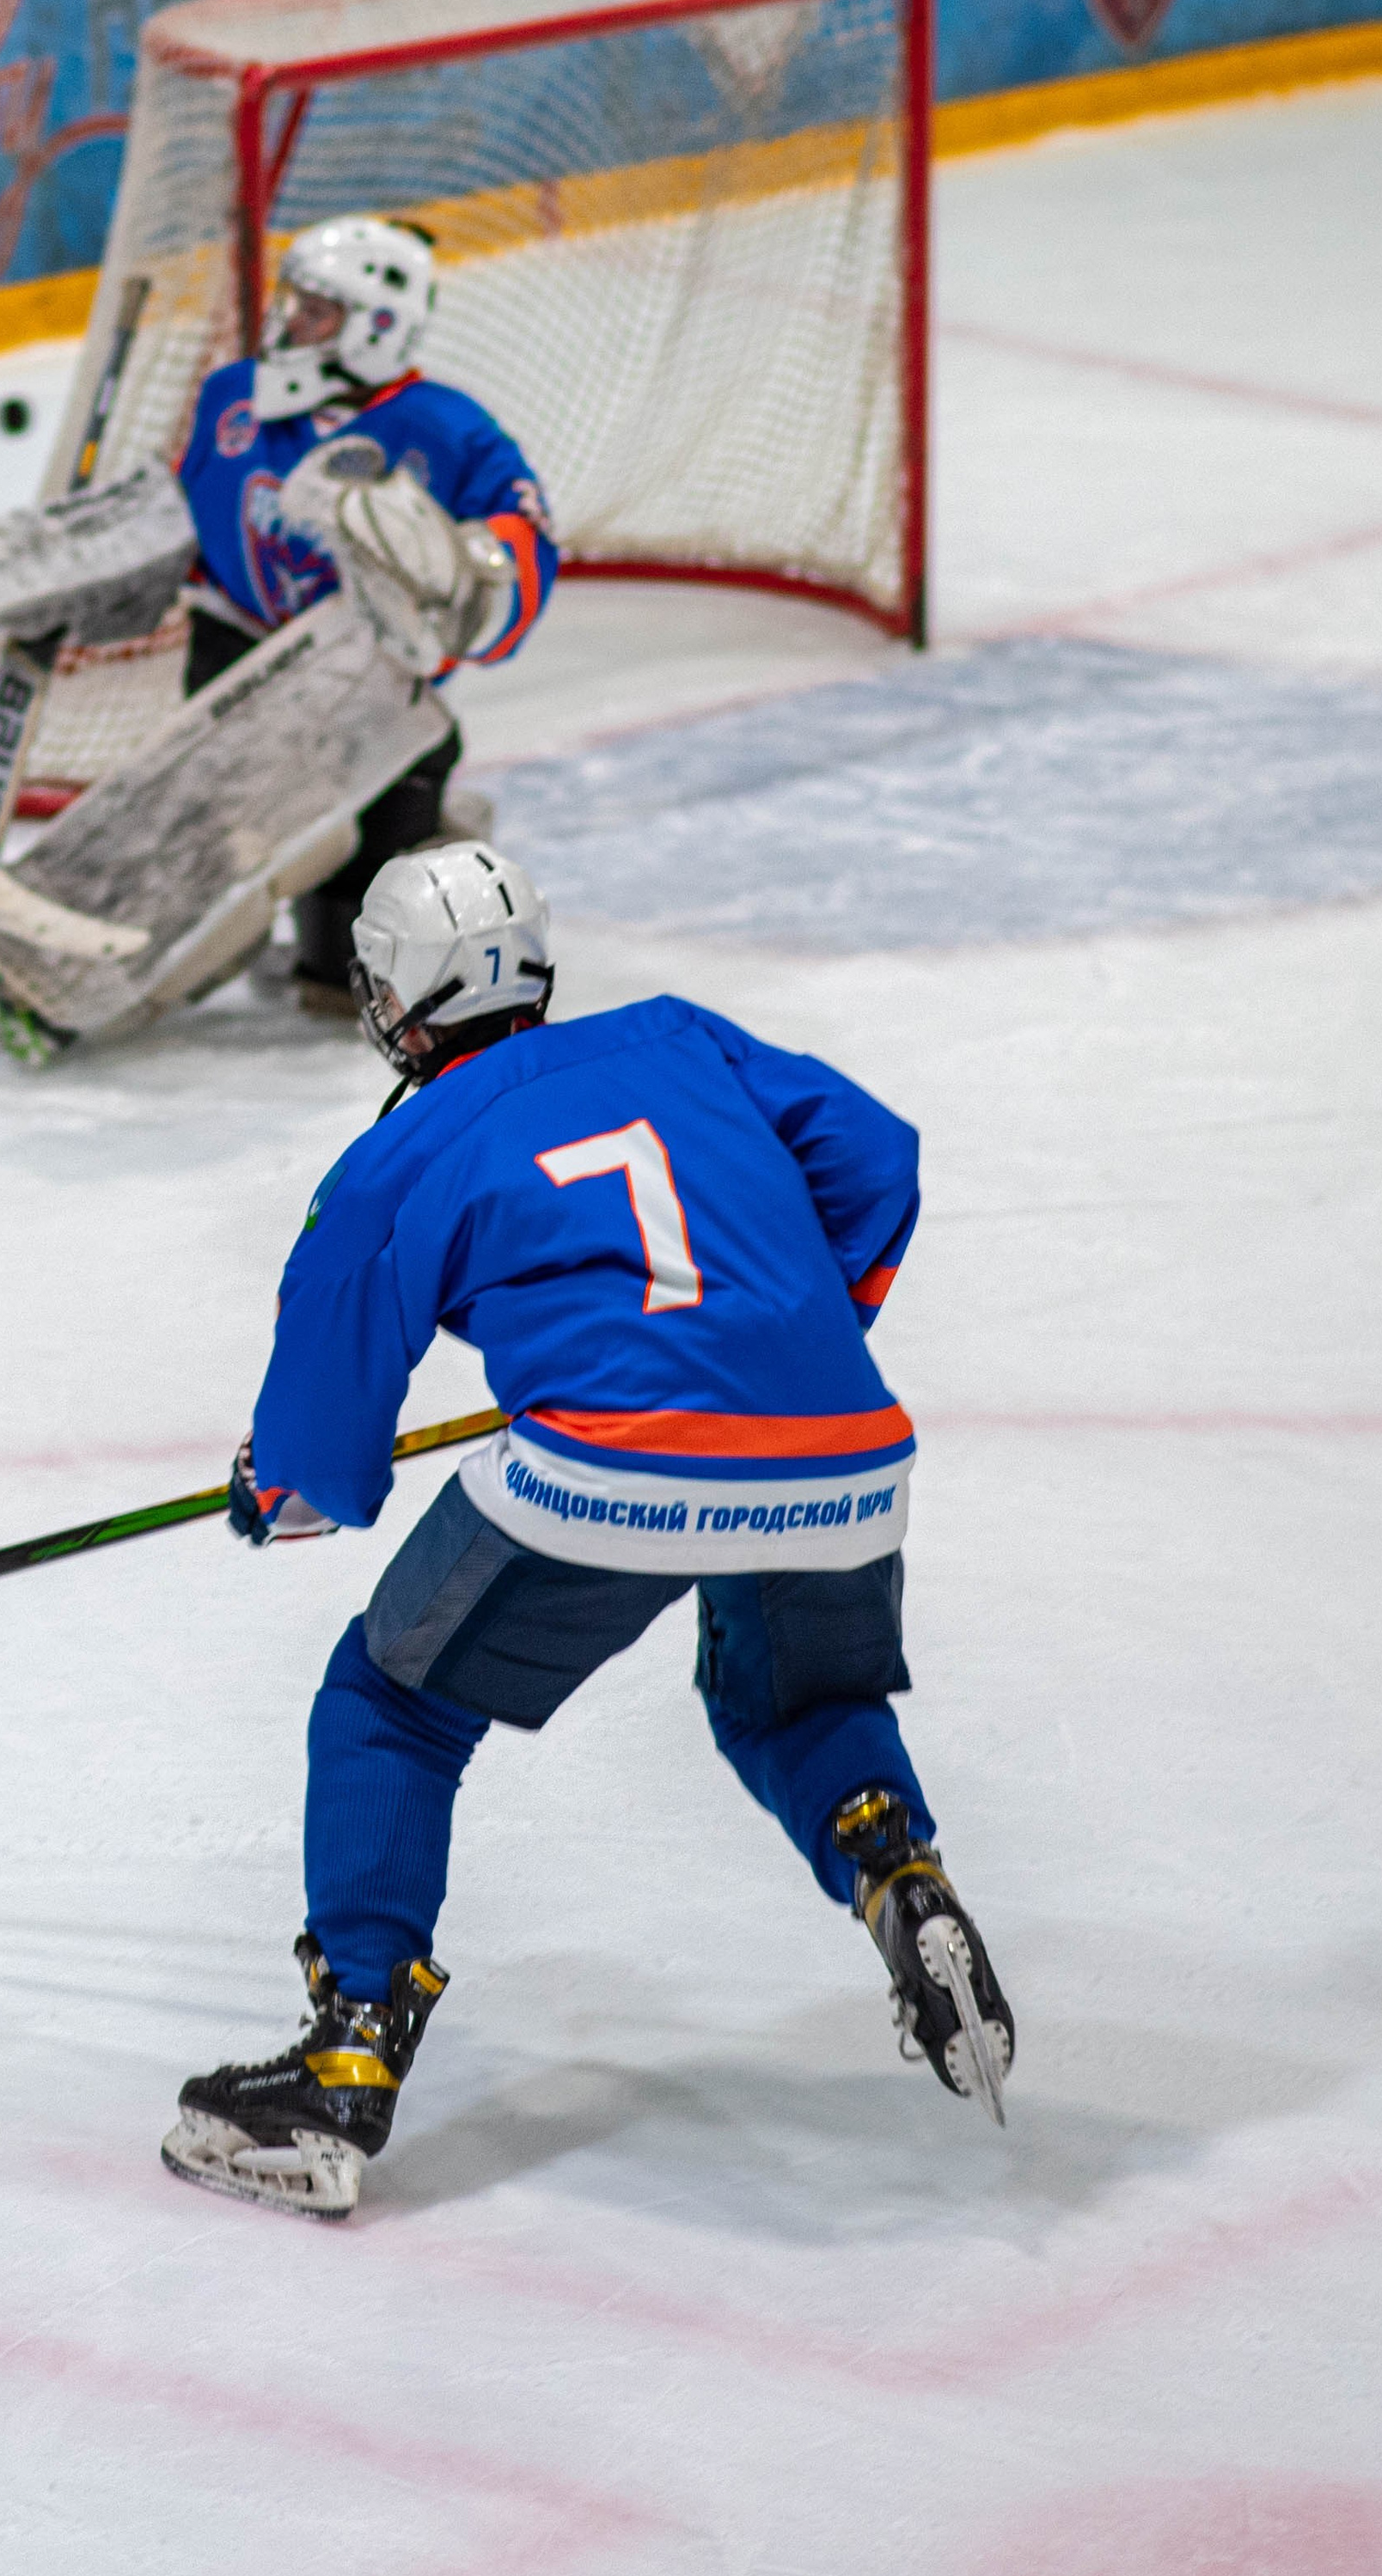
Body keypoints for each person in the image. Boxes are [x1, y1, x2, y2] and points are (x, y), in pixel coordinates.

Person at [161, 840, 1014, 2219]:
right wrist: (786, 1335)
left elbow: (324, 1459)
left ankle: (349, 2054)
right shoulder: (681, 1036)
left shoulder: (399, 1155)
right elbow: (876, 1156)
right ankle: (897, 1869)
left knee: (390, 1702)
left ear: (402, 1002)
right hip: (844, 1454)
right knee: (799, 1697)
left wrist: (281, 1486)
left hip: (612, 1468)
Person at [174, 216, 558, 1003]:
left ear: (378, 327)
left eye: (316, 312)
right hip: (237, 652)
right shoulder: (232, 397)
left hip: (372, 679)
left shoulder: (449, 432)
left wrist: (472, 573)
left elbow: (523, 548)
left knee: (349, 949)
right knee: (216, 859)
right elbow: (185, 509)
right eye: (291, 303)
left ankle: (410, 861)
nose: (289, 324)